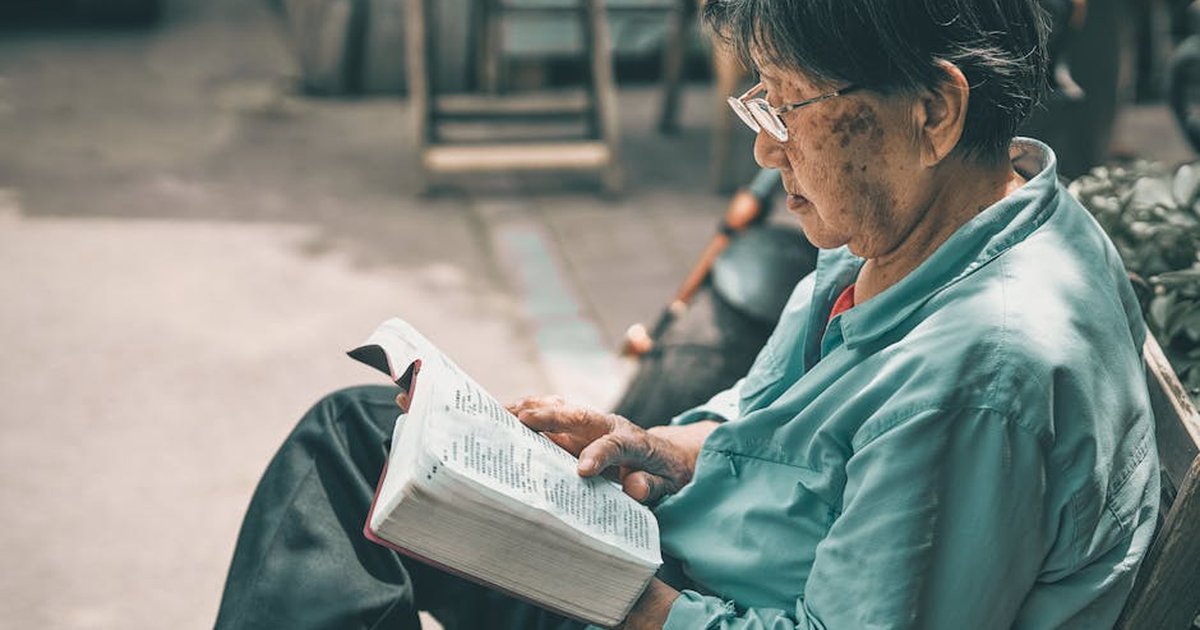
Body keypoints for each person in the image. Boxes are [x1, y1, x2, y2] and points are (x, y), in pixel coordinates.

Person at [215, 0, 1160, 627]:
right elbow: (782, 422)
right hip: (688, 562)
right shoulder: (941, 221)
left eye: (790, 107)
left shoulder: (982, 373)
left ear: (935, 111)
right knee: (367, 437)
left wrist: (623, 596)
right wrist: (664, 448)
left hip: (689, 602)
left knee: (354, 471)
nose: (766, 153)